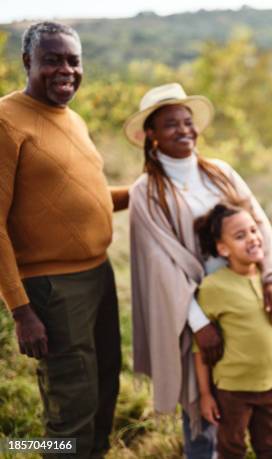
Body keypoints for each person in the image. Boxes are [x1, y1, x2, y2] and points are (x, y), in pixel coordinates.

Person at [125, 83, 272, 458]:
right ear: (150, 134)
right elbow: (161, 265)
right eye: (171, 124)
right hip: (192, 308)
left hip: (244, 297)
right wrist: (198, 321)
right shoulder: (146, 192)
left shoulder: (221, 173)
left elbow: (258, 224)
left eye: (187, 122)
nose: (184, 130)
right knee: (203, 403)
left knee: (249, 391)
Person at [0, 22, 128, 458]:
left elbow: (81, 196)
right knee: (70, 405)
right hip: (51, 289)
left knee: (106, 381)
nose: (66, 70)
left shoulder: (72, 118)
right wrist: (21, 310)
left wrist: (147, 191)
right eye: (53, 60)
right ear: (27, 62)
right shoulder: (6, 120)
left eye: (73, 60)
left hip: (99, 276)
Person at [193, 203, 272, 458]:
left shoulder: (268, 281)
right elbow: (200, 348)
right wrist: (205, 394)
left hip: (269, 384)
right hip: (232, 390)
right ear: (222, 248)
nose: (252, 238)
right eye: (240, 236)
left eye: (253, 230)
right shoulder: (213, 287)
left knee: (270, 446)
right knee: (232, 448)